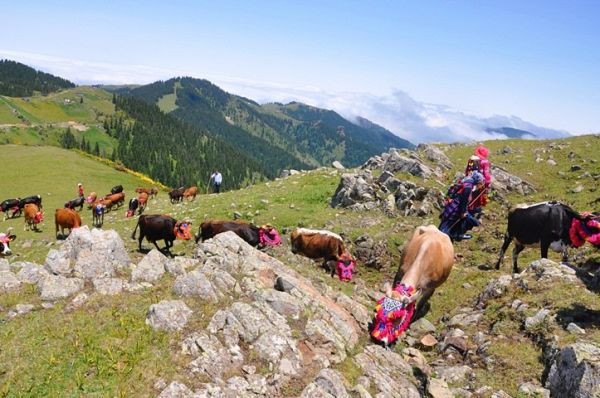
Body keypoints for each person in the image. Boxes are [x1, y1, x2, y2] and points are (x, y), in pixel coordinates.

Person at [439, 171, 485, 241]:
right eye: (480, 182)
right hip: (455, 210)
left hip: (451, 207)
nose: (480, 184)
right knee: (471, 221)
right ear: (477, 180)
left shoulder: (467, 181)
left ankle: (453, 234)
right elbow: (464, 201)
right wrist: (463, 212)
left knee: (444, 225)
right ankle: (455, 235)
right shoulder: (469, 187)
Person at [465, 144, 492, 217]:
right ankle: (475, 211)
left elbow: (467, 171)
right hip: (480, 184)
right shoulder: (485, 162)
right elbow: (486, 174)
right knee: (478, 199)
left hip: (469, 182)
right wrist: (487, 183)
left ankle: (467, 209)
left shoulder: (471, 159)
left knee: (469, 197)